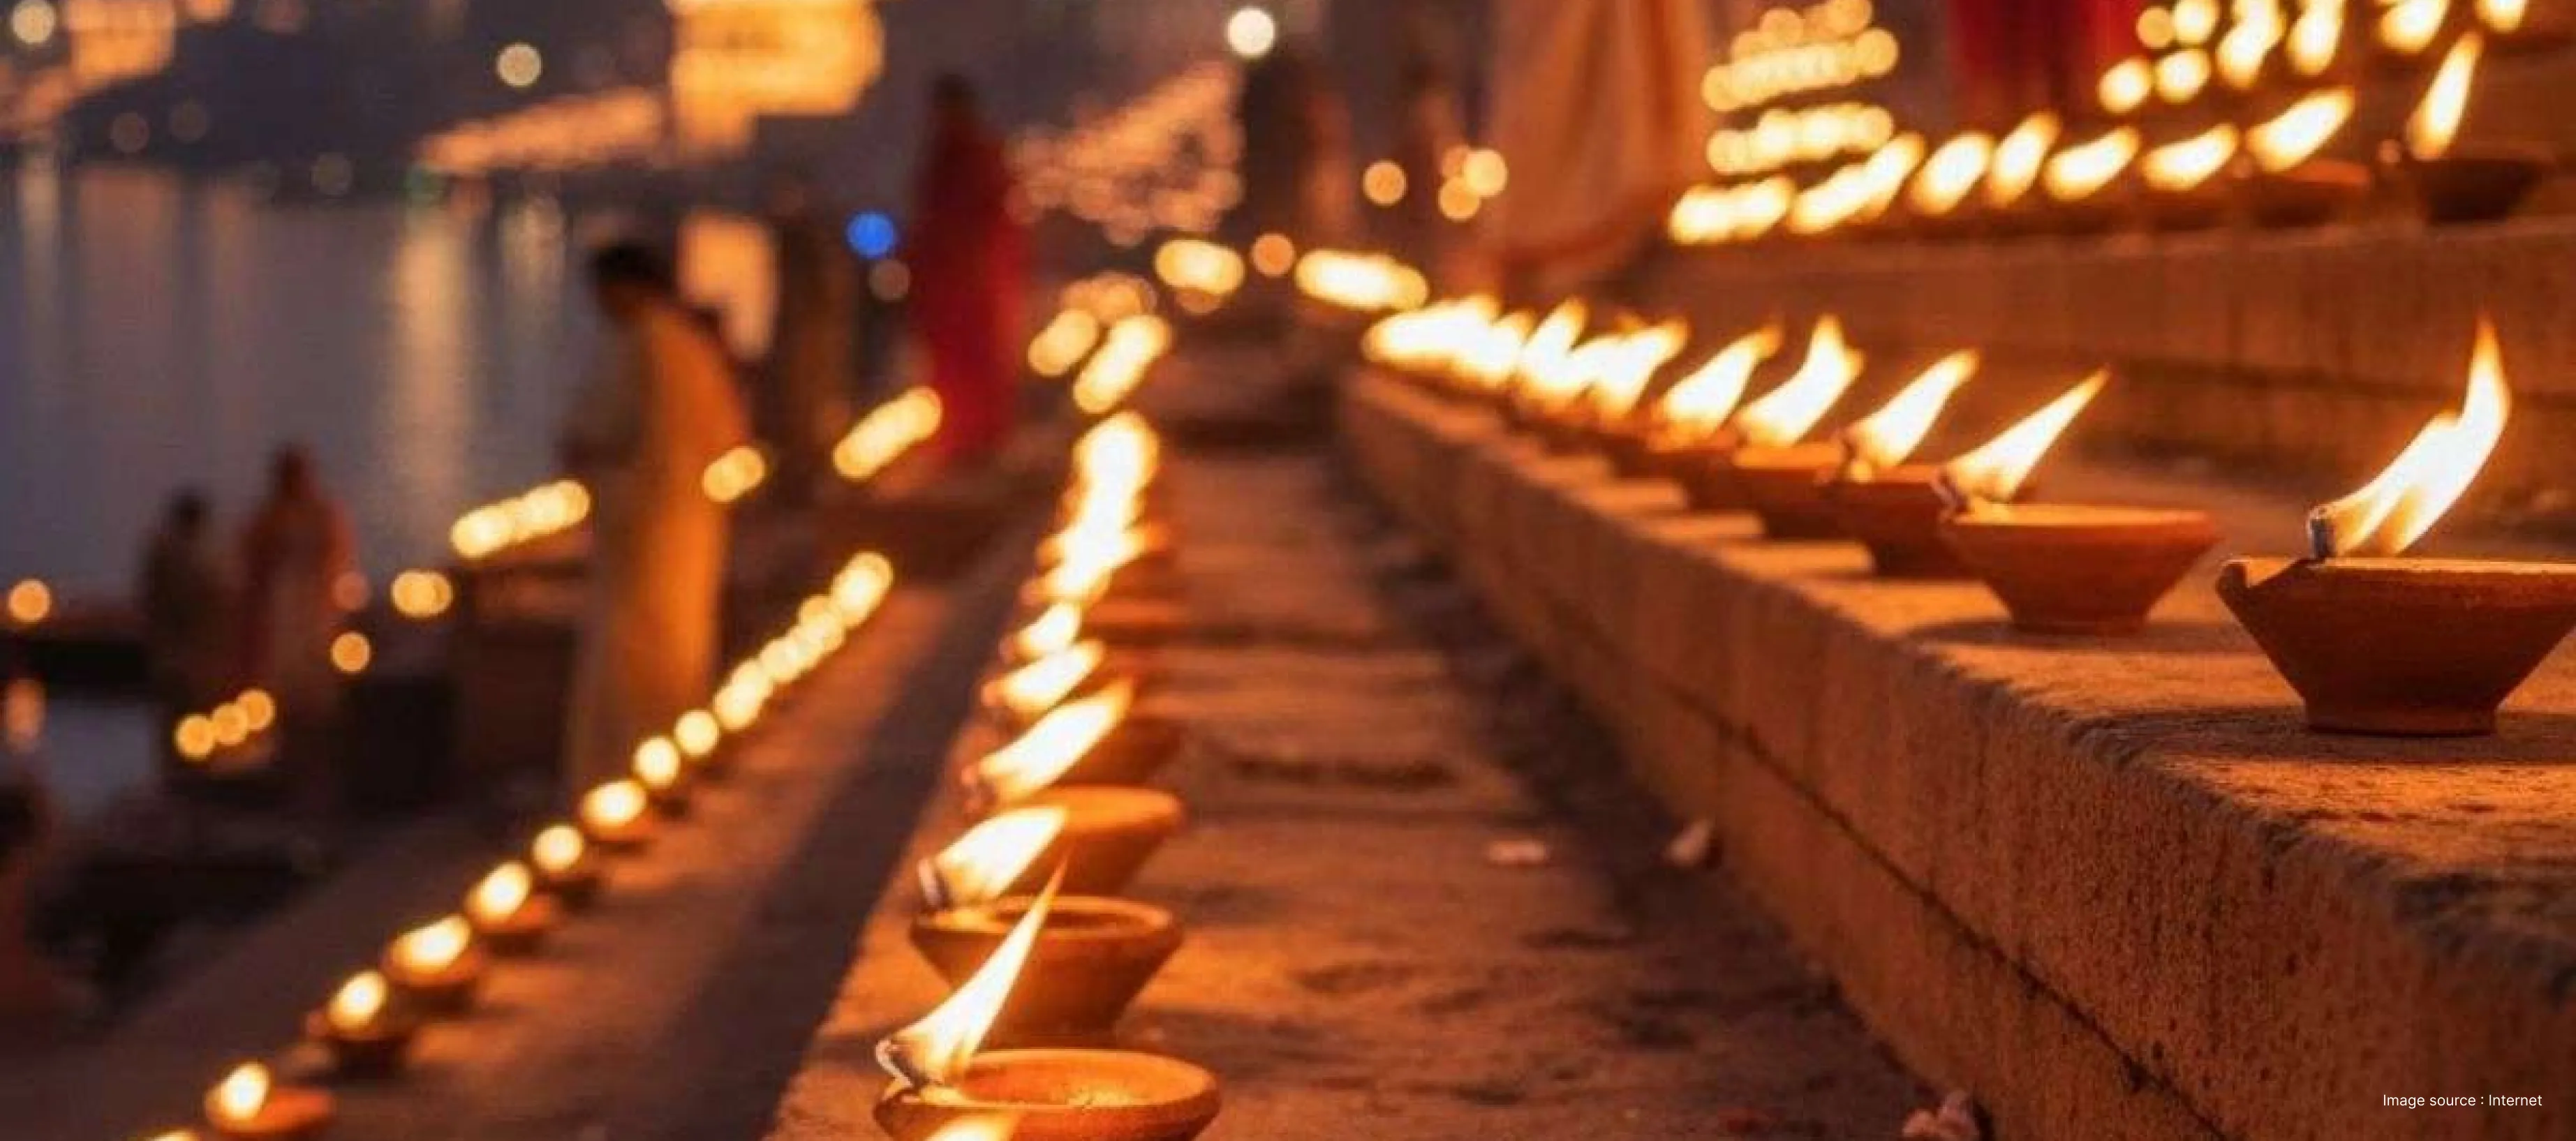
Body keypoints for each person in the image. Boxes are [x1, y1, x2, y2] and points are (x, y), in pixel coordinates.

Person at [560, 241, 749, 798]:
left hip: (645, 524)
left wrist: (599, 466)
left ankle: (627, 780)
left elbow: (639, 439)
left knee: (636, 654)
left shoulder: (649, 344)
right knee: (674, 644)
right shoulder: (687, 344)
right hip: (685, 519)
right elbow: (726, 433)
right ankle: (659, 766)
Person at [908, 74, 1028, 465]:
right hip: (951, 287)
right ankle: (962, 443)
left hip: (972, 286)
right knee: (955, 370)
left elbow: (989, 221)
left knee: (977, 368)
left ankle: (979, 445)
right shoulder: (946, 157)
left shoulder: (975, 157)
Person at [762, 170, 860, 501]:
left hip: (812, 349)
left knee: (809, 412)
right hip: (798, 349)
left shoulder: (813, 252)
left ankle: (808, 477)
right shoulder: (801, 252)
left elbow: (831, 298)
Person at [138, 490, 233, 777]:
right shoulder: (188, 557)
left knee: (182, 721)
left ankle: (183, 775)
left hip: (185, 657)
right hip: (185, 656)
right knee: (183, 719)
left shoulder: (172, 554)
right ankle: (185, 775)